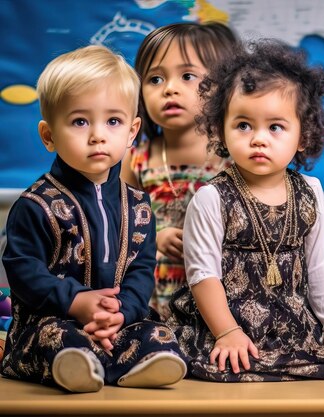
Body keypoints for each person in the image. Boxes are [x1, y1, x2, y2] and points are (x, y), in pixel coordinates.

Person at [166, 39, 324, 382]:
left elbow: (319, 267)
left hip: (290, 325)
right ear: (220, 131)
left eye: (275, 127)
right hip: (224, 322)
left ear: (302, 136)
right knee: (227, 367)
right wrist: (227, 332)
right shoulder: (211, 198)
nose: (259, 139)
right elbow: (203, 275)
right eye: (243, 125)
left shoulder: (310, 192)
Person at [1, 45, 186, 392]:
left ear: (131, 132)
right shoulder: (36, 204)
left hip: (115, 324)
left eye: (113, 121)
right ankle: (79, 367)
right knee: (58, 337)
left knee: (158, 333)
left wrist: (121, 313)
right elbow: (24, 270)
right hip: (52, 321)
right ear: (49, 136)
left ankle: (134, 366)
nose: (98, 134)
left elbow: (141, 272)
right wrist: (76, 301)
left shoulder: (139, 207)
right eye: (80, 121)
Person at [121, 22, 240, 320]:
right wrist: (155, 237)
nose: (169, 88)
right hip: (154, 293)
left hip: (221, 295)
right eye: (155, 79)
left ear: (222, 87)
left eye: (187, 76)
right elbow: (118, 224)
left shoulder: (235, 157)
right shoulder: (137, 159)